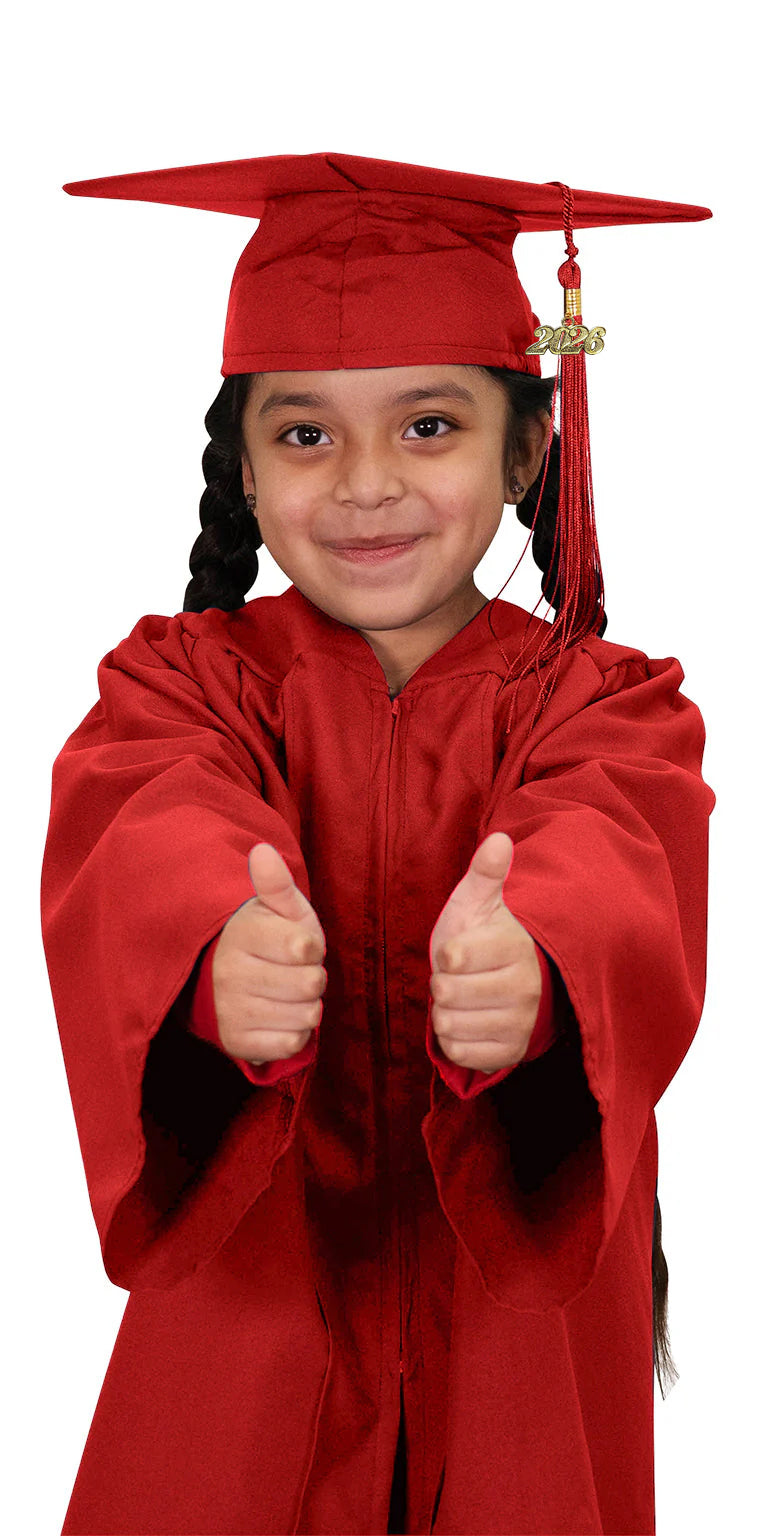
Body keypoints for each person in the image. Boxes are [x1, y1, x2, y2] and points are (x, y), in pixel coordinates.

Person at [40, 151, 716, 1536]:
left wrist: (544, 959)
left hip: (512, 1318)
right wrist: (209, 945)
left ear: (527, 449)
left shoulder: (606, 701)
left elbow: (619, 839)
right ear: (240, 461)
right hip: (262, 1294)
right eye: (305, 434)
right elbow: (150, 806)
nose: (364, 485)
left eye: (428, 426)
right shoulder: (185, 682)